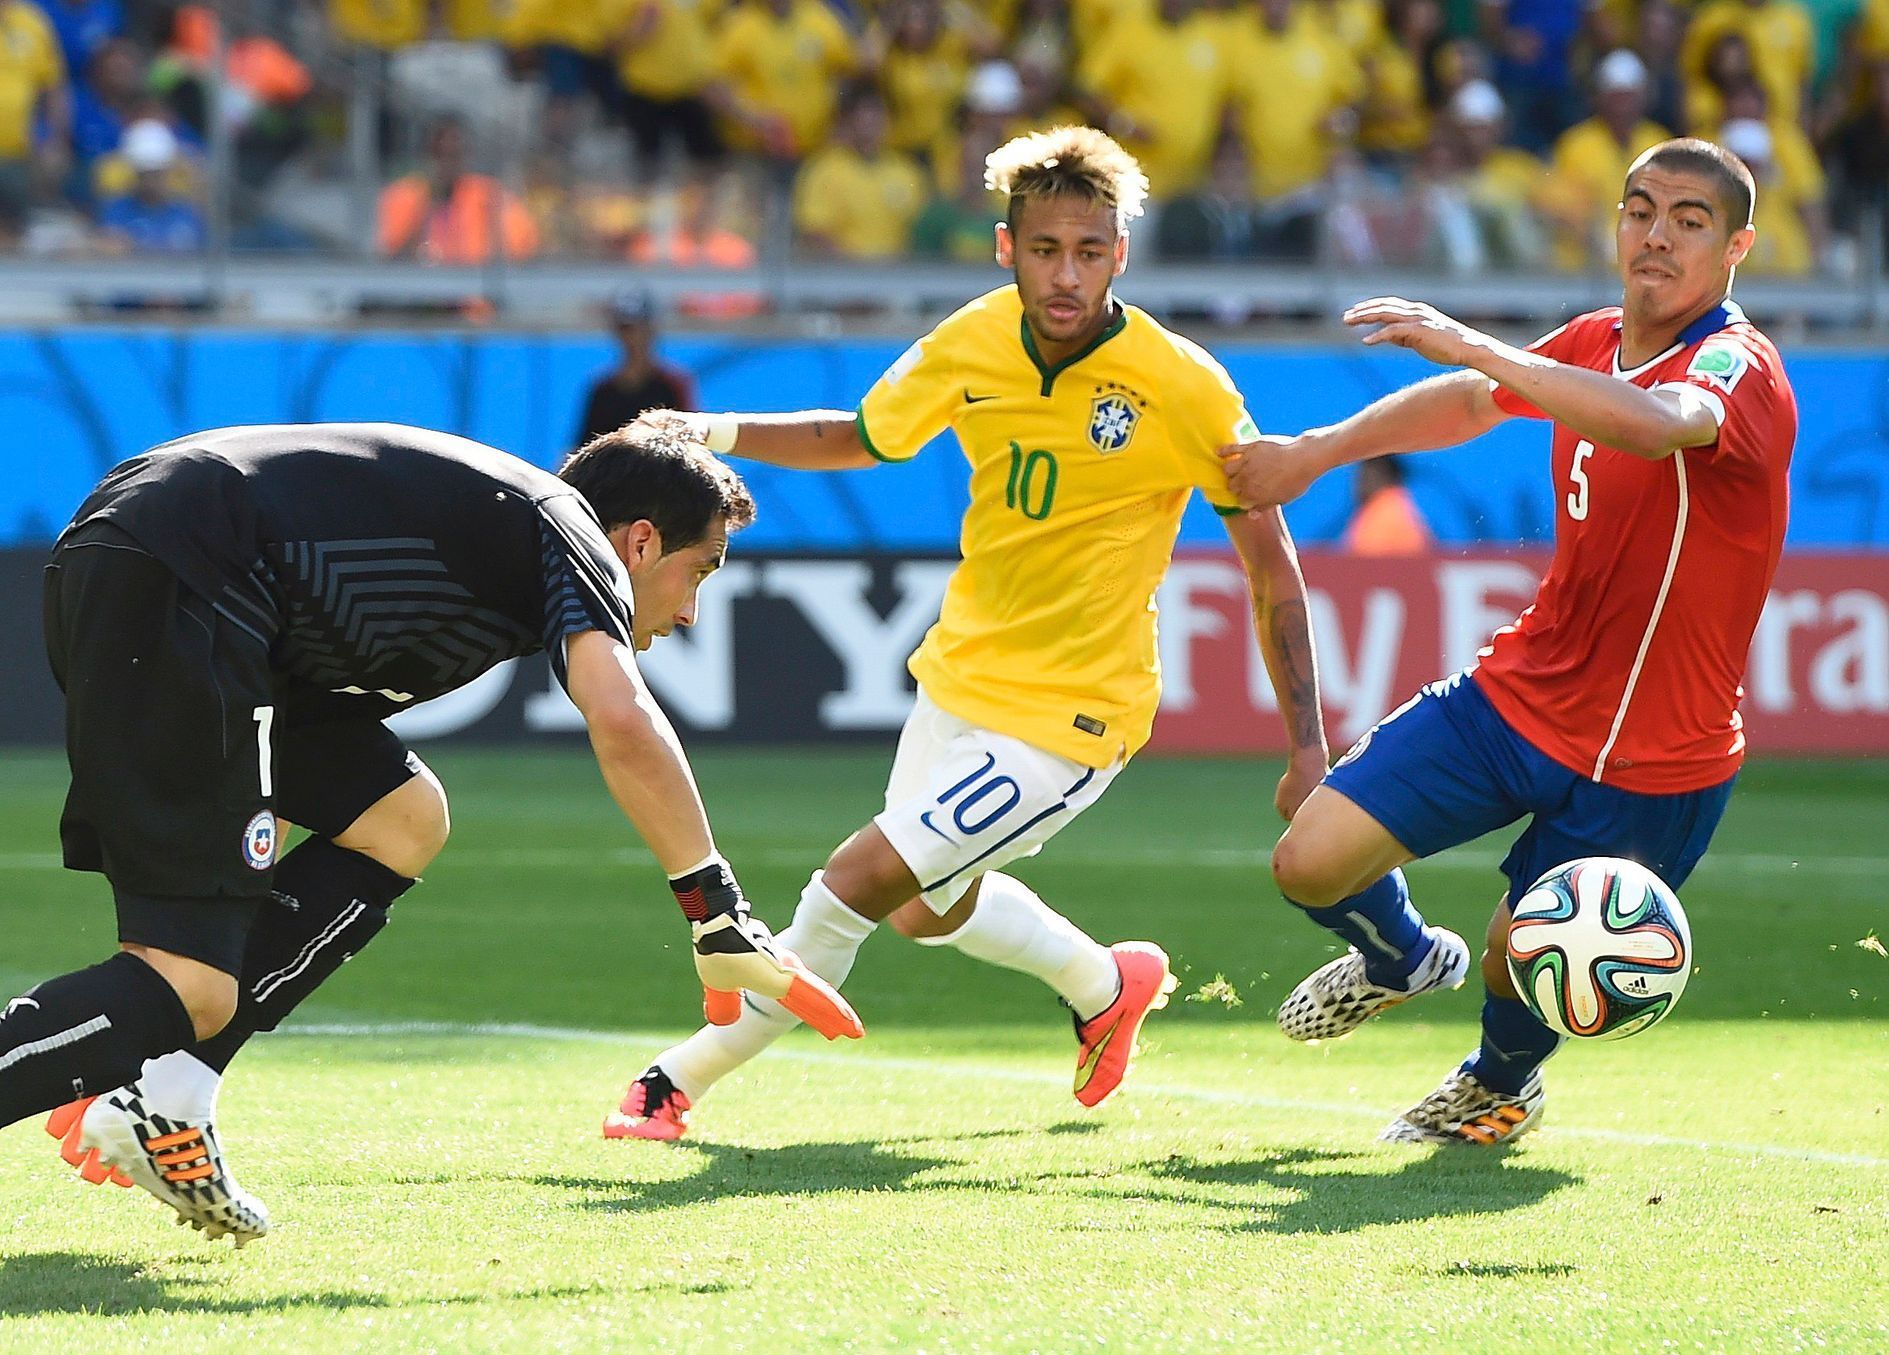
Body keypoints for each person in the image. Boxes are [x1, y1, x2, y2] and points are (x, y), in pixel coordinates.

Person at [607, 125, 1330, 1141]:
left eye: (1089, 251)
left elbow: (1271, 563)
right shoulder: (973, 339)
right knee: (923, 907)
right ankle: (1104, 980)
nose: (1066, 274)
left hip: (1071, 716)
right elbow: (861, 436)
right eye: (1045, 250)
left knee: (858, 879)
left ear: (1120, 253)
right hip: (958, 677)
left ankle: (679, 1077)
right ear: (1007, 249)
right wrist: (707, 431)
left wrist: (1306, 744)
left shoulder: (1180, 383)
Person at [5, 421, 860, 1244]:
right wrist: (714, 909)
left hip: (175, 570)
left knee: (399, 818)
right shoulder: (568, 532)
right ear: (638, 541)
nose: (691, 614)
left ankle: (171, 1089)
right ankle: (165, 1060)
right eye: (699, 572)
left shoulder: (506, 535)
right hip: (185, 573)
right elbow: (623, 721)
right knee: (190, 984)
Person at [1219, 136, 1795, 1143]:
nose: (1653, 234)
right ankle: (1400, 955)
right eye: (1637, 209)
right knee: (1308, 857)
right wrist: (1317, 450)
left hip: (1653, 757)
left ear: (1736, 245)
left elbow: (1659, 423)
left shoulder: (1734, 363)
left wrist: (1480, 344)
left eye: (1687, 220)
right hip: (1518, 693)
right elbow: (1472, 402)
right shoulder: (1589, 338)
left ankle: (1498, 1083)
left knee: (1522, 957)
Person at [573, 289, 697, 449]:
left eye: (638, 328)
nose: (632, 337)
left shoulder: (673, 384)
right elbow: (582, 447)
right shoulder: (602, 390)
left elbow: (691, 443)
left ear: (651, 330)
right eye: (625, 329)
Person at [1342, 453, 1431, 554]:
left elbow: (1369, 559)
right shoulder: (1385, 505)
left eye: (1367, 472)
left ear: (1385, 474)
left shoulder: (1387, 509)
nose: (1360, 480)